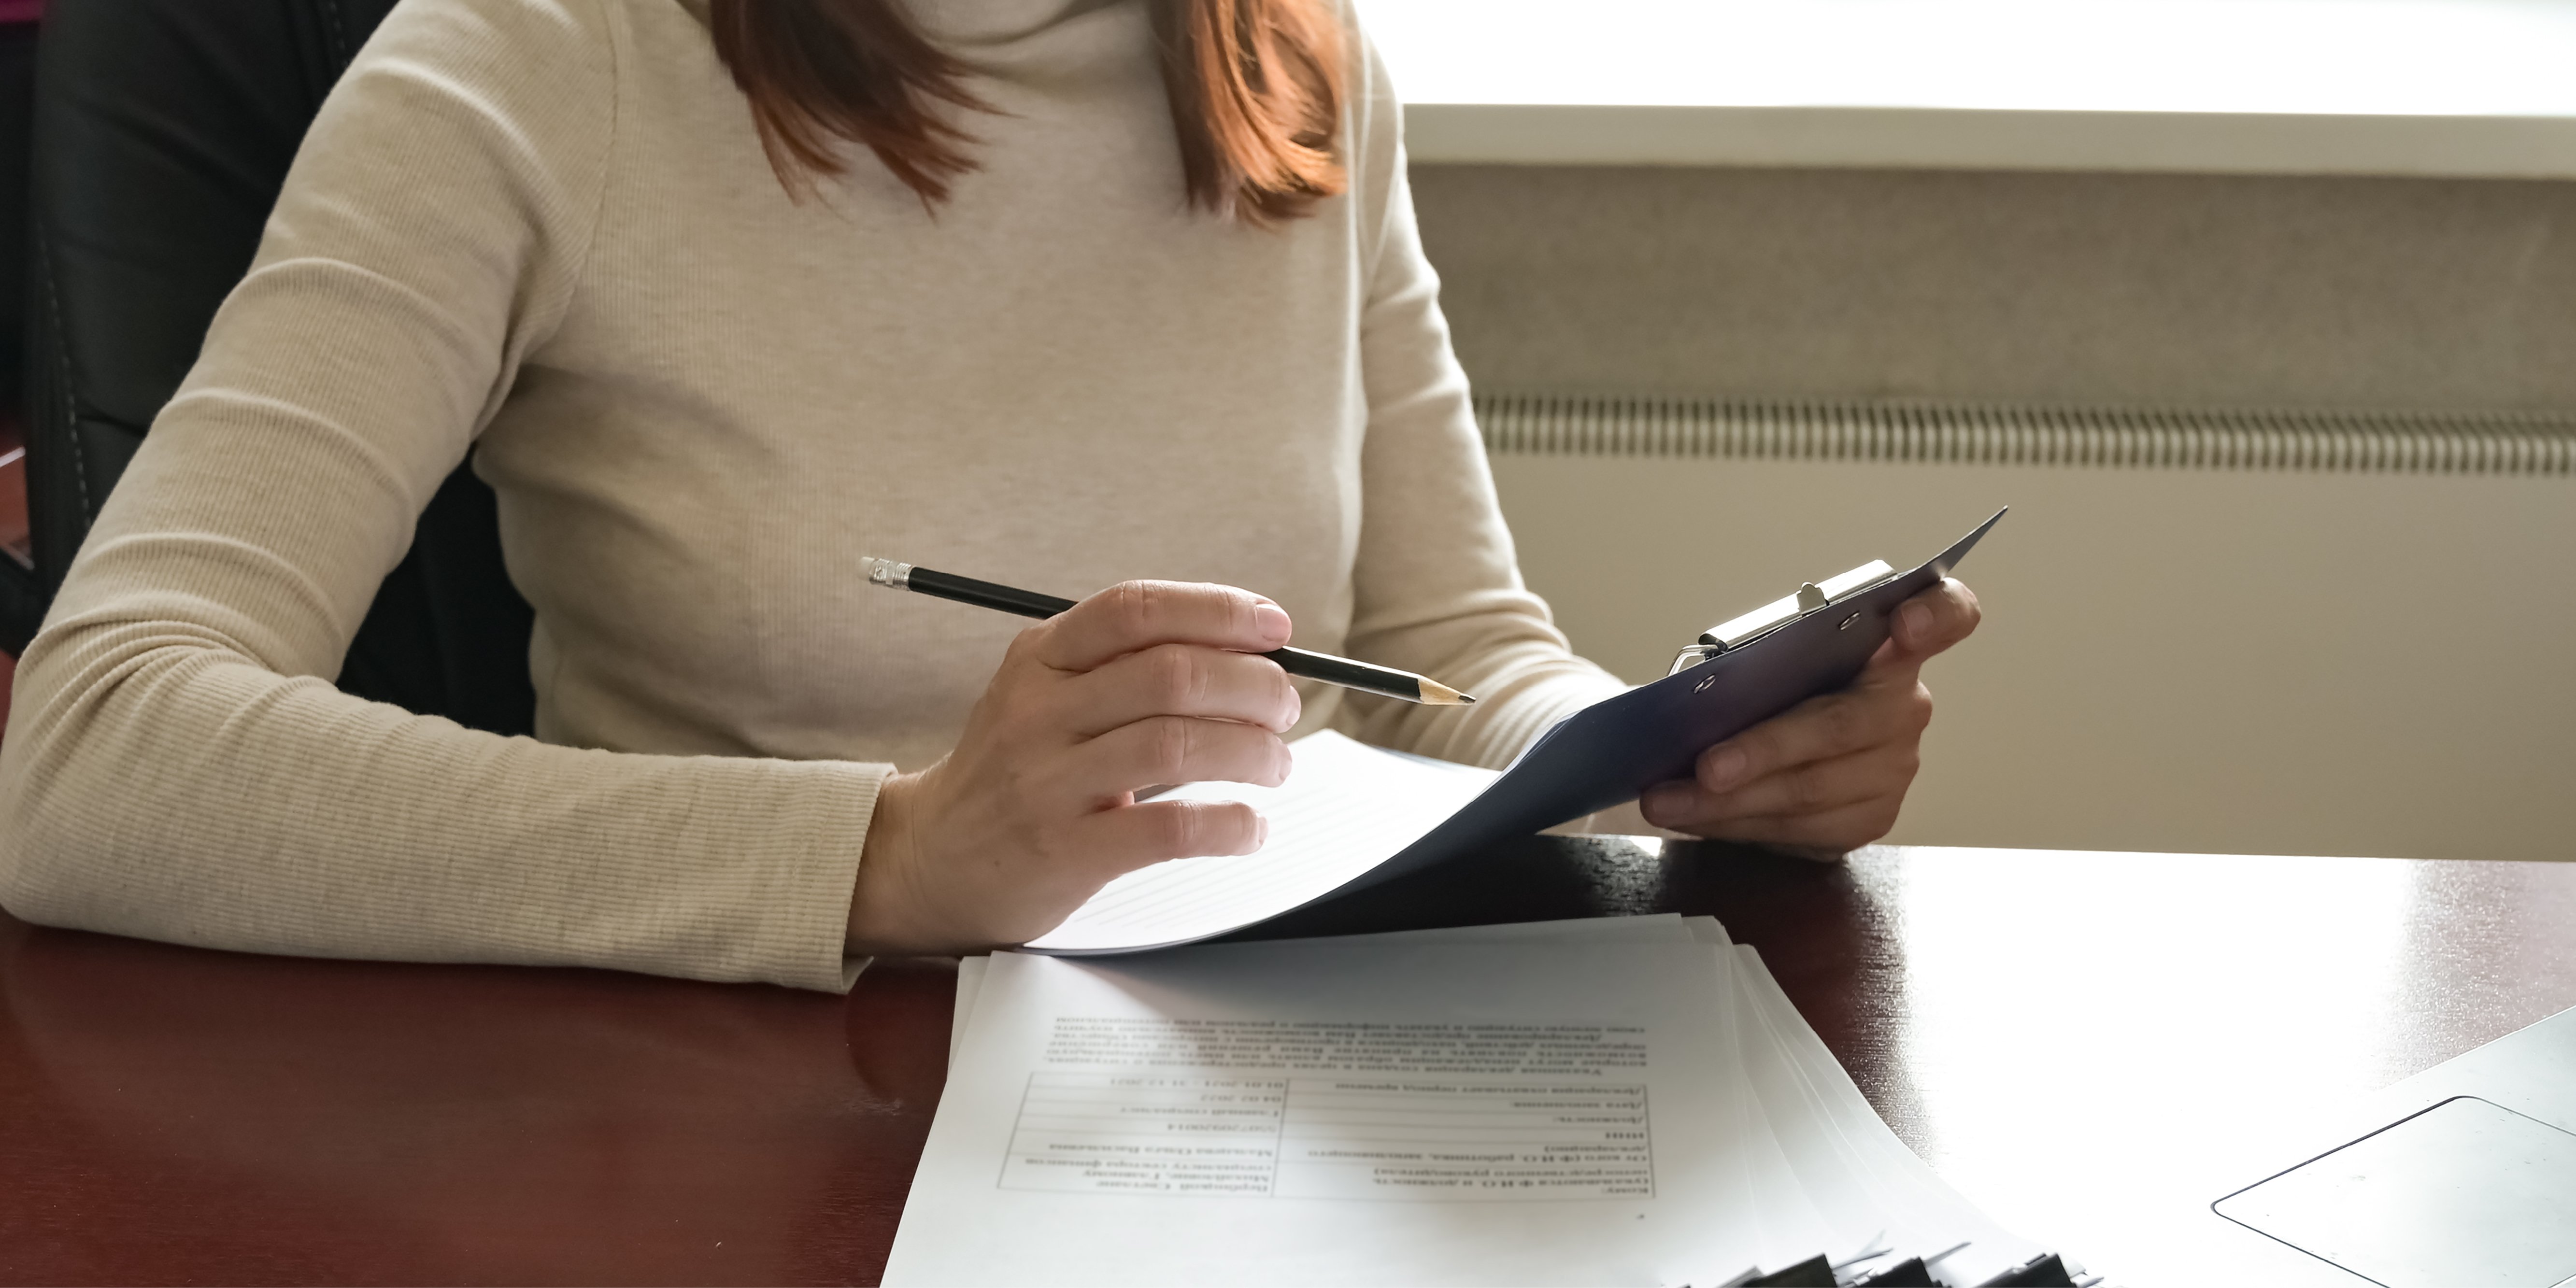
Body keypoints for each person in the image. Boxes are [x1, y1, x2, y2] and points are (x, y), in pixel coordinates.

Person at [0, 0, 1978, 990]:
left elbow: (1442, 655)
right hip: (735, 1105)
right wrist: (888, 854)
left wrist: (1668, 755)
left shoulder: (1288, 52)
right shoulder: (530, 59)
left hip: (1254, 1086)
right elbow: (89, 757)